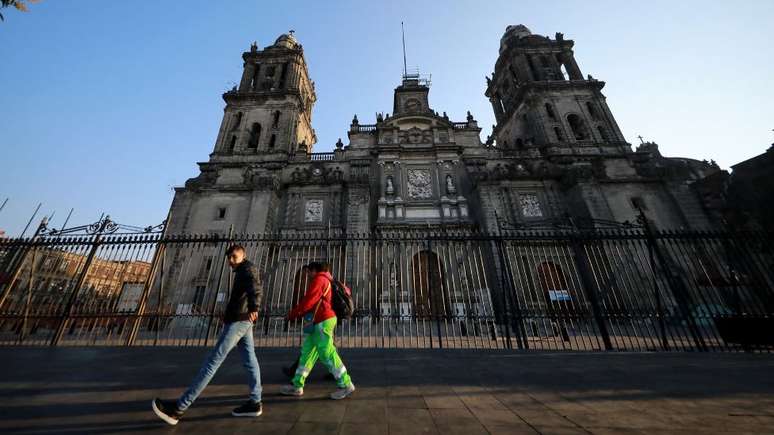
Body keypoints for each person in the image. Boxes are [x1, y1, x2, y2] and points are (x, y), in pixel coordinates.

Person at [152, 244, 263, 425]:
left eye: (234, 256)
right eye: (229, 257)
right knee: (250, 359)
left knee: (212, 362)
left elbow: (255, 287)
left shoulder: (247, 269)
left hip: (239, 321)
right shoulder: (243, 269)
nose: (230, 260)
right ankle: (255, 401)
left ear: (243, 256)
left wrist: (254, 306)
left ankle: (179, 408)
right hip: (241, 320)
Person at [280, 261, 355, 400]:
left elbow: (309, 301)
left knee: (327, 352)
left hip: (323, 320)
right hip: (317, 322)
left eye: (308, 272)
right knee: (307, 352)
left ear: (314, 270)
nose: (307, 275)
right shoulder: (328, 279)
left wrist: (292, 314)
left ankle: (346, 384)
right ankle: (297, 385)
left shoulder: (320, 280)